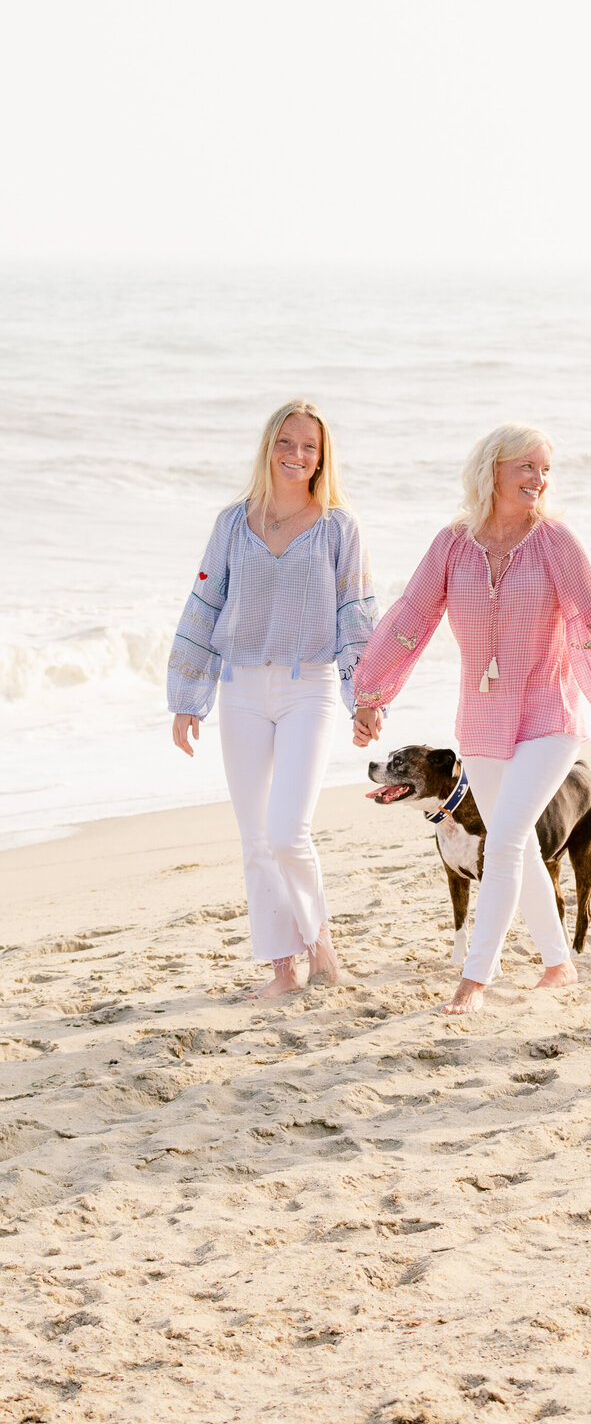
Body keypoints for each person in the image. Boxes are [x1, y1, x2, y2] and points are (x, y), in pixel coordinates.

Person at [352, 424, 591, 1016]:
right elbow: (412, 617)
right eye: (527, 467)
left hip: (548, 715)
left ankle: (475, 978)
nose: (539, 479)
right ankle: (559, 964)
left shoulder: (556, 542)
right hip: (482, 719)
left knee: (506, 839)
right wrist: (371, 693)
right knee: (522, 849)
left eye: (545, 470)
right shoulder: (452, 544)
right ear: (492, 470)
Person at [168, 400, 377, 999]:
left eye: (309, 446)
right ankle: (282, 969)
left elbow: (356, 617)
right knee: (256, 838)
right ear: (269, 445)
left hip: (307, 687)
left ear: (322, 456)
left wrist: (364, 697)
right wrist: (188, 696)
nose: (297, 454)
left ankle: (324, 951)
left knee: (288, 832)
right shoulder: (233, 523)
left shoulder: (340, 526)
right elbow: (203, 607)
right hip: (239, 689)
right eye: (287, 442)